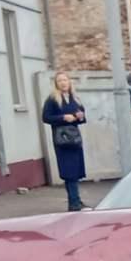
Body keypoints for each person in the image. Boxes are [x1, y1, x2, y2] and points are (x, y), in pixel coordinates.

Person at [41, 70, 88, 211]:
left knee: (76, 171)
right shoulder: (52, 99)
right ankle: (74, 202)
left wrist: (79, 116)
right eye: (60, 80)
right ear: (56, 84)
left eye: (65, 80)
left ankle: (76, 201)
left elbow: (83, 118)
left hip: (74, 138)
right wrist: (62, 118)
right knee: (69, 172)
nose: (63, 83)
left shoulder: (75, 98)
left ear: (69, 82)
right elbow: (46, 117)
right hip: (62, 139)